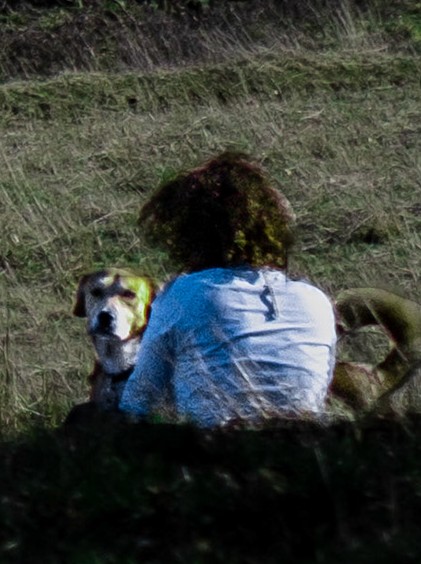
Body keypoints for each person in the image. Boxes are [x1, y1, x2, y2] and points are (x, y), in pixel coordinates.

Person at [111, 151, 338, 425]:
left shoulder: (188, 293)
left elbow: (139, 400)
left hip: (219, 453)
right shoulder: (316, 300)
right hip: (305, 452)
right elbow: (318, 394)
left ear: (188, 234)